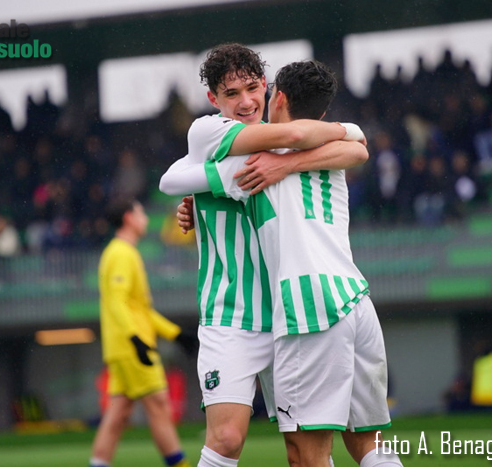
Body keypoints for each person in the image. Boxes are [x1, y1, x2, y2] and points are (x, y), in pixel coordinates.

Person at [166, 60, 401, 467]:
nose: (246, 102)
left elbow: (171, 179)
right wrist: (196, 208)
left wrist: (279, 165)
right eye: (232, 94)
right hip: (353, 299)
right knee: (368, 444)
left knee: (306, 453)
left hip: (304, 307)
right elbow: (358, 145)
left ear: (275, 94)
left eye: (255, 89)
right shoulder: (330, 153)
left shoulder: (255, 159)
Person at [89, 198, 197, 467]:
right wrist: (135, 339)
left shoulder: (121, 252)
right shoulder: (122, 253)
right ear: (128, 218)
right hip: (132, 347)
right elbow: (117, 302)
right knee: (159, 405)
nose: (145, 218)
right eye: (140, 212)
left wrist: (175, 334)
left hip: (121, 346)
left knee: (118, 414)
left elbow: (139, 309)